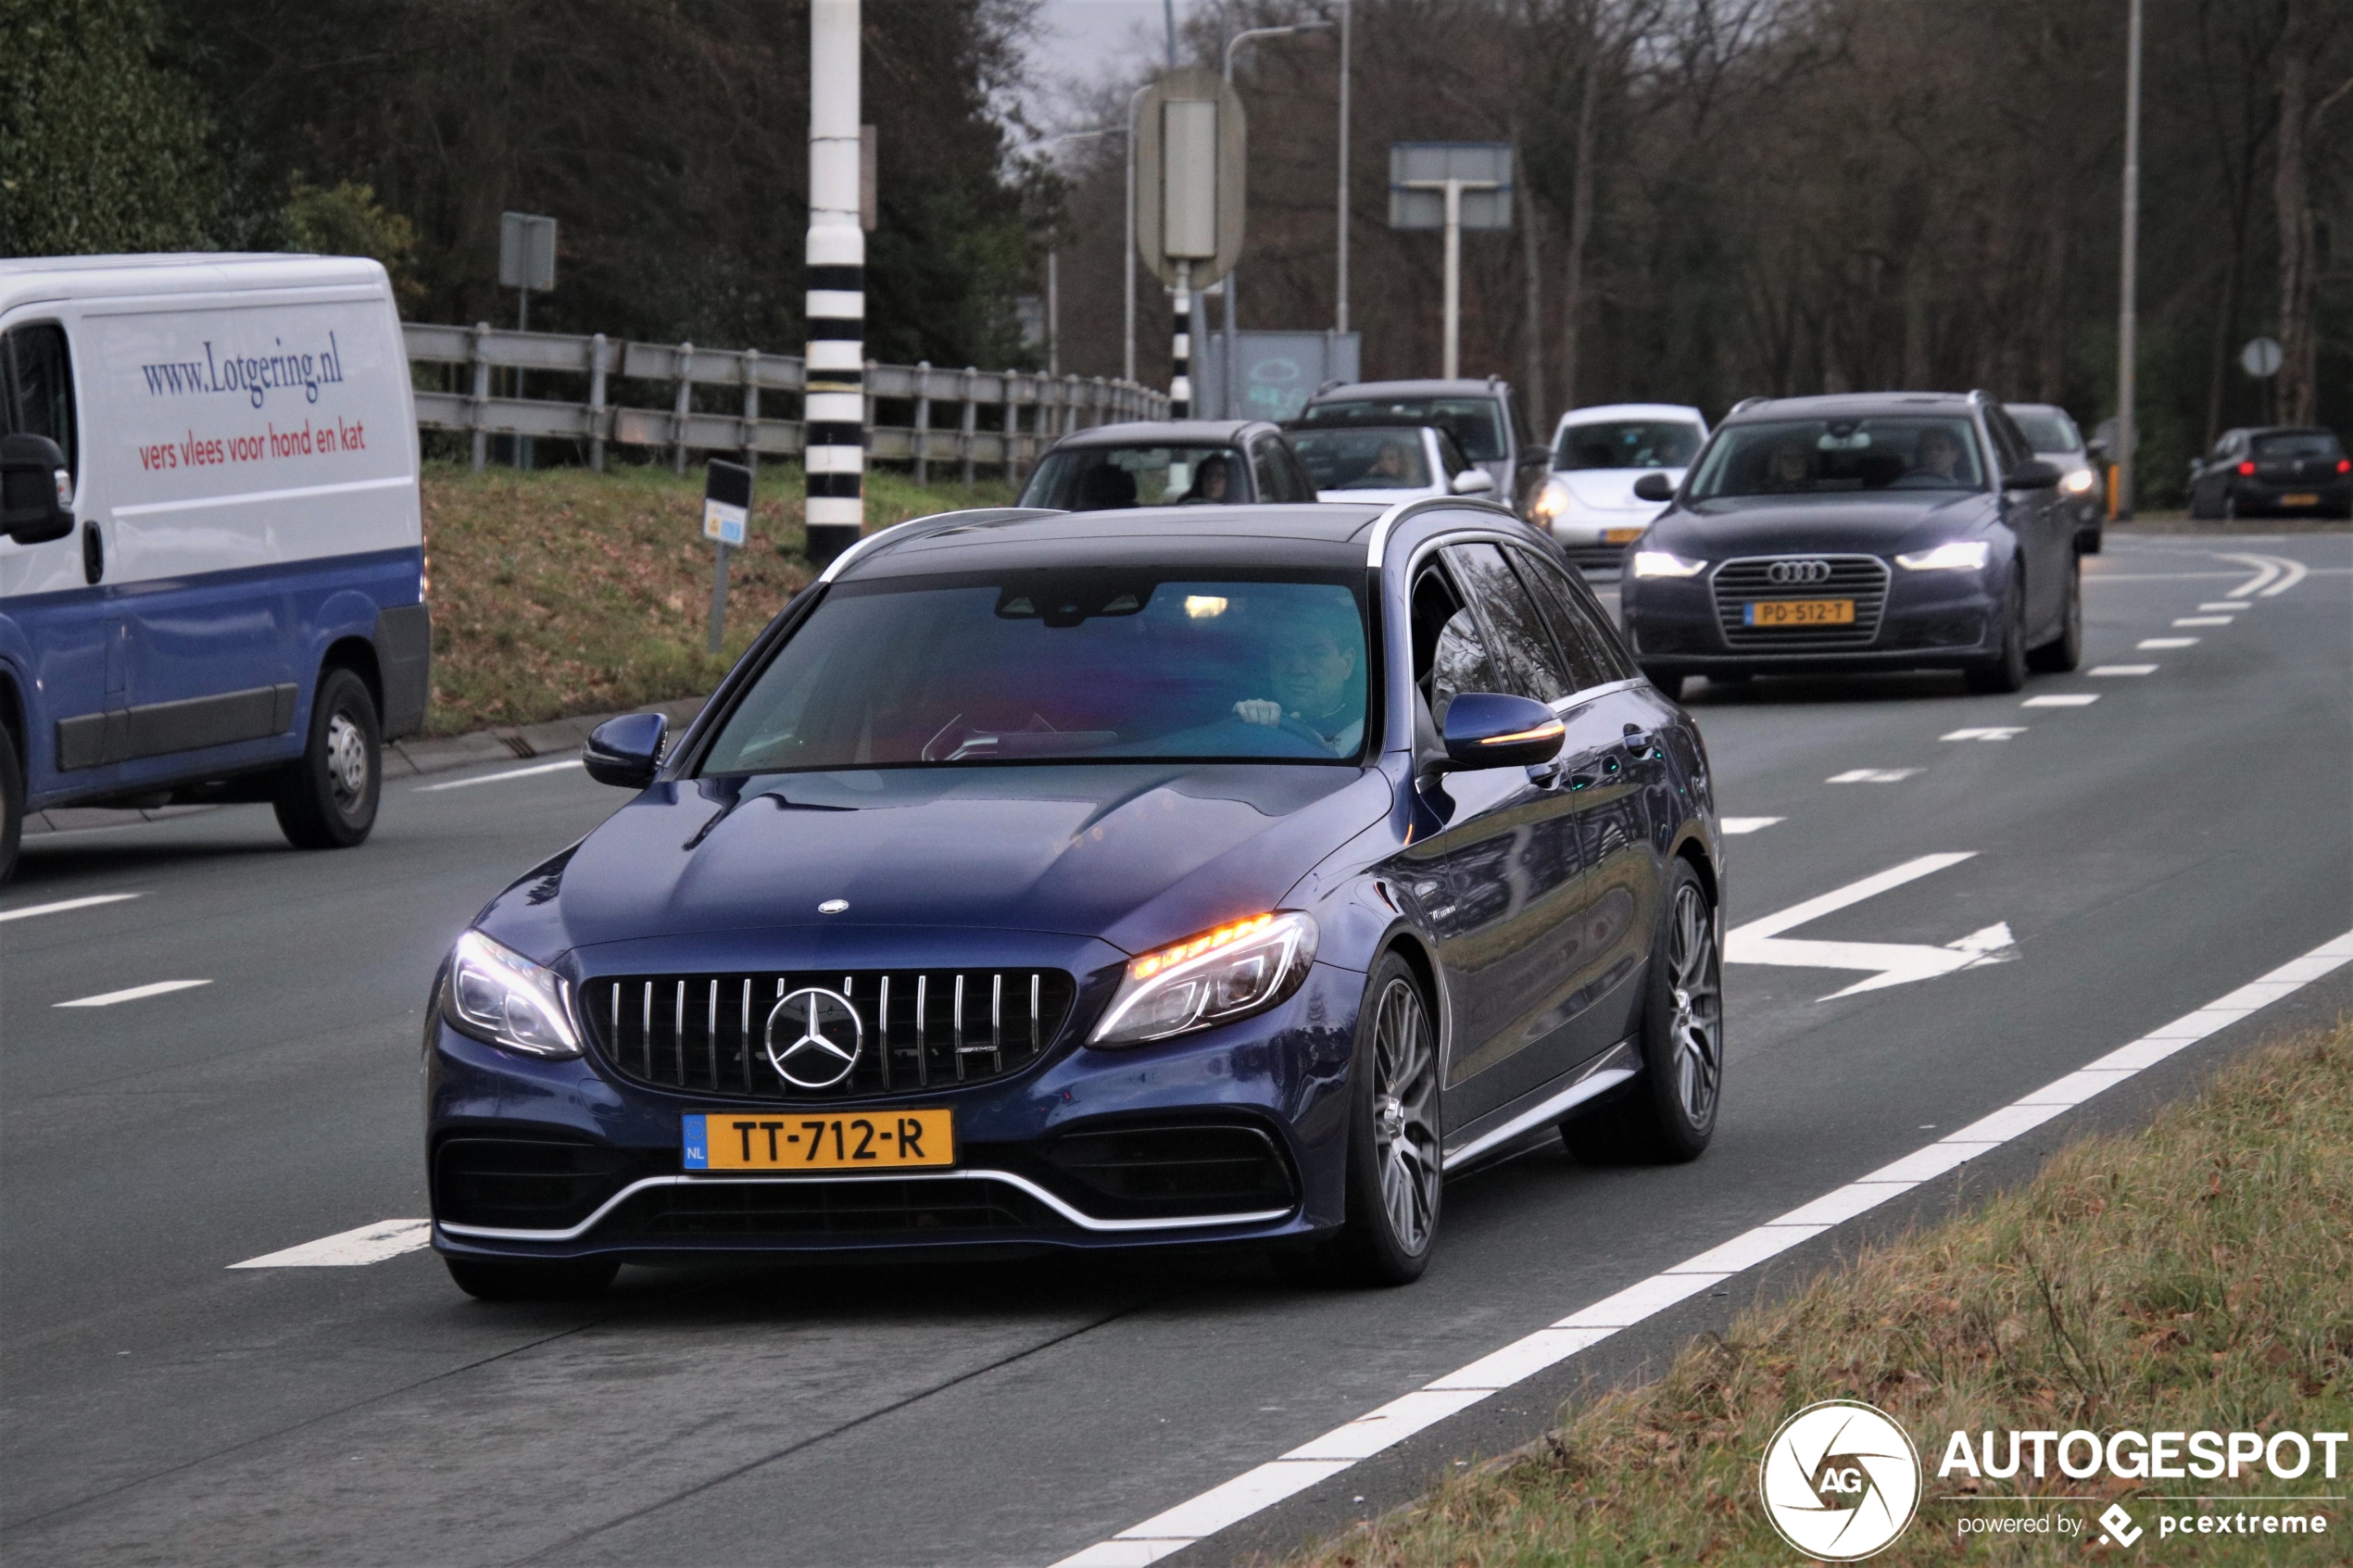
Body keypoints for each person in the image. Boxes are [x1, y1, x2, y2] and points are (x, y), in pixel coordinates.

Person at [1233, 607, 1364, 755]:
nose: (1297, 669)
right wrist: (1246, 721)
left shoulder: (1376, 734)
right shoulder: (1251, 720)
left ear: (1347, 663)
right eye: (1284, 652)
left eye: (1315, 654)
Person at [1900, 427, 1966, 485]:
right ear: (1922, 455)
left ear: (1955, 455)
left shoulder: (1969, 492)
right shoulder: (1908, 486)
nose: (1933, 454)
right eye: (1928, 448)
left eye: (1941, 448)